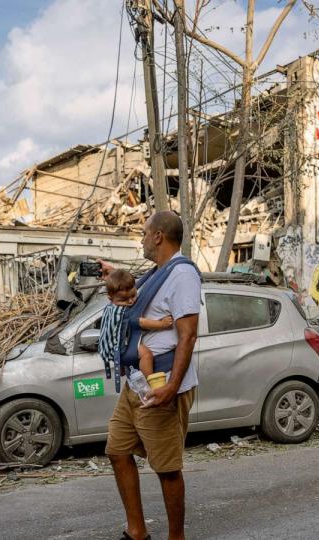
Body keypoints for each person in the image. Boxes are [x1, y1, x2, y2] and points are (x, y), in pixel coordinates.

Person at [99, 210, 201, 540]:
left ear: (158, 236)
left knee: (167, 469)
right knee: (117, 450)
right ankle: (137, 532)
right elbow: (132, 298)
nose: (141, 239)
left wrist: (172, 387)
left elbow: (187, 335)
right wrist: (113, 274)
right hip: (137, 383)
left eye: (144, 233)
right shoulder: (158, 273)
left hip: (161, 384)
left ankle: (176, 537)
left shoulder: (182, 275)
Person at [98, 268, 174, 382]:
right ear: (110, 298)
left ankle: (123, 366)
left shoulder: (109, 307)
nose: (130, 301)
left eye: (133, 295)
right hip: (120, 351)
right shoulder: (122, 312)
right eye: (123, 300)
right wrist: (161, 324)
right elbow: (141, 322)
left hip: (110, 349)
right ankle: (150, 382)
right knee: (146, 354)